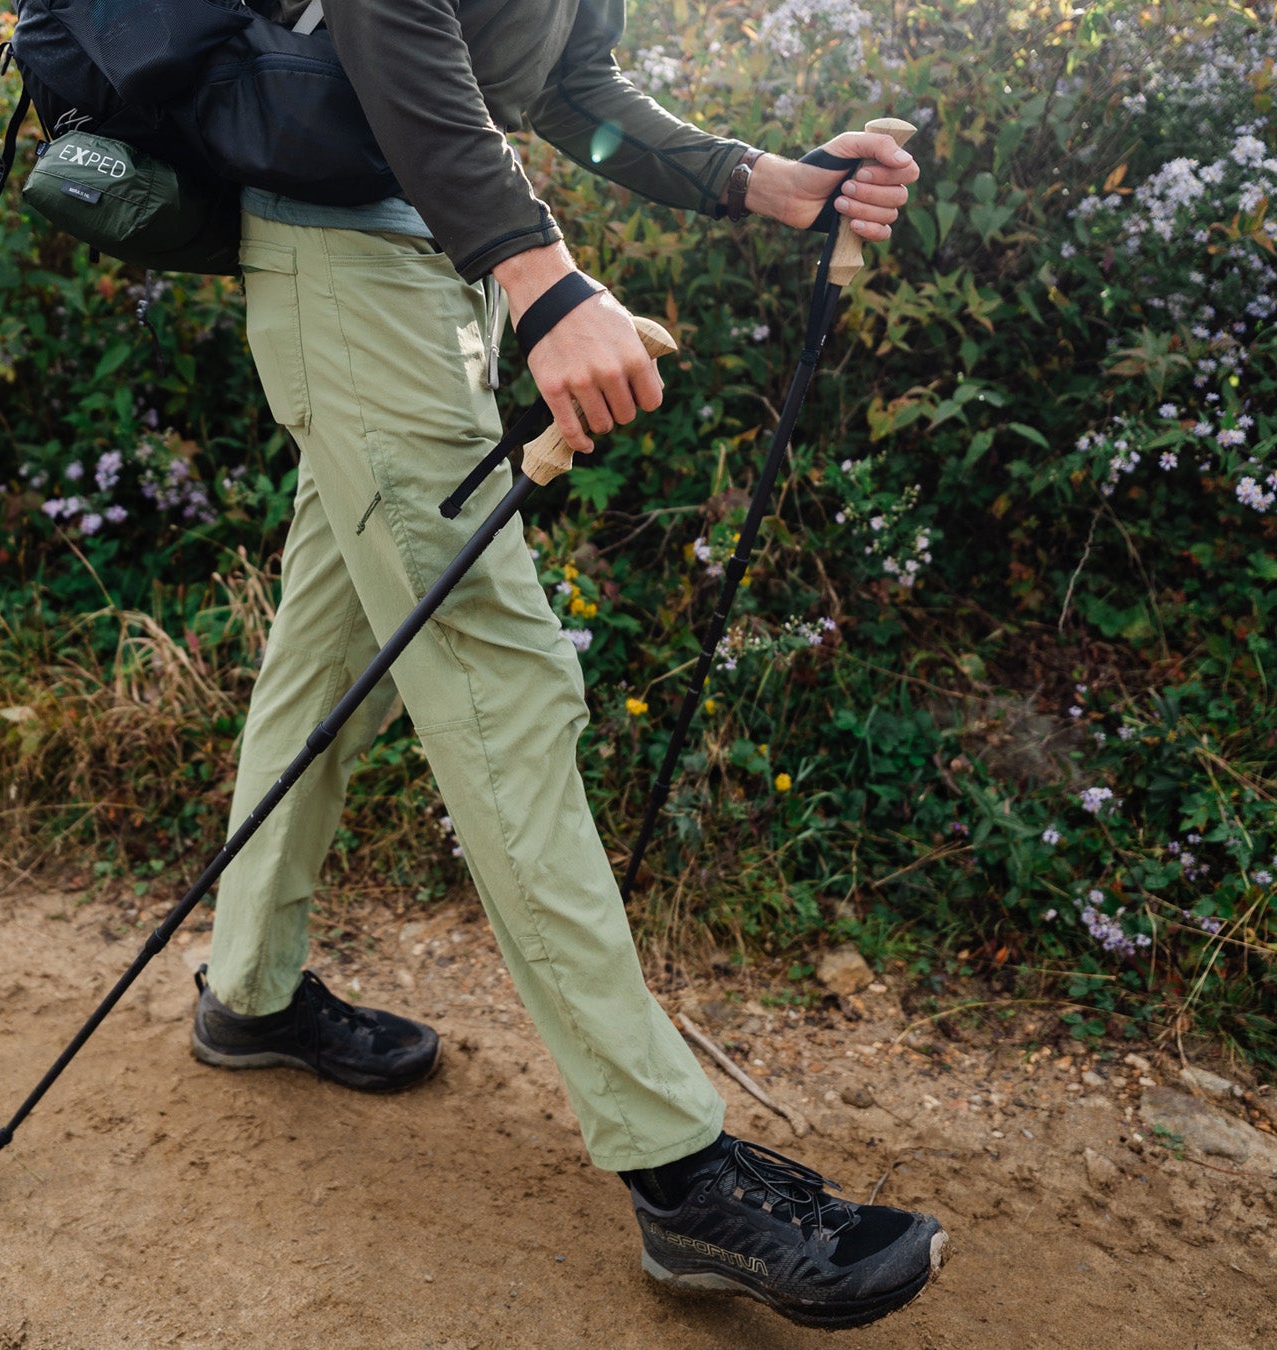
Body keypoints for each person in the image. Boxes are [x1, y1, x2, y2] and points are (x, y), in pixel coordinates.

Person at [187, 0, 942, 1330]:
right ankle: (679, 1172)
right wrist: (545, 275)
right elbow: (385, 16)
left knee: (333, 642)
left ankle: (246, 993)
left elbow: (566, 88)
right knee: (499, 676)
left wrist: (755, 180)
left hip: (418, 273)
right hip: (355, 267)